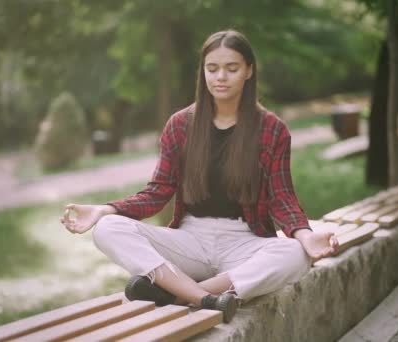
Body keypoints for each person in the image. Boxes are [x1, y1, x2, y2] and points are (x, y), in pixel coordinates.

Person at [60, 29, 339, 323]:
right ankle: (202, 299)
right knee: (108, 228)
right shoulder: (180, 125)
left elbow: (282, 199)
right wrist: (106, 209)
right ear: (202, 71)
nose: (221, 77)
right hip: (190, 240)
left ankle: (178, 294)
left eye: (232, 69)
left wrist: (306, 237)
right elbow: (157, 193)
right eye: (212, 68)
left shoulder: (272, 129)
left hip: (243, 243)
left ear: (248, 71)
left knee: (294, 255)